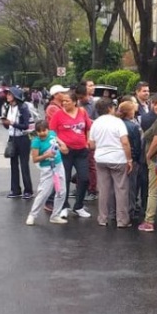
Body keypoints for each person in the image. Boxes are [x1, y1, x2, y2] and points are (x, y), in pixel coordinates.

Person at [88, 98, 133, 227]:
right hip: (118, 158)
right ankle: (122, 220)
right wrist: (129, 159)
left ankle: (103, 218)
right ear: (109, 108)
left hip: (101, 158)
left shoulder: (95, 123)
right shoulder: (118, 122)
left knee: (103, 190)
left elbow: (91, 144)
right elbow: (125, 142)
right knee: (121, 189)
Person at [50, 91, 93, 218]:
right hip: (65, 151)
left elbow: (88, 127)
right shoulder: (58, 114)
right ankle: (64, 206)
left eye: (67, 101)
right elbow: (52, 133)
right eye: (63, 101)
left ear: (74, 102)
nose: (64, 103)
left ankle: (78, 206)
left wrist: (87, 141)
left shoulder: (82, 112)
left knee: (84, 178)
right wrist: (61, 144)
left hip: (81, 151)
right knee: (65, 179)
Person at [27, 120, 70, 225]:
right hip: (47, 169)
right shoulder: (36, 142)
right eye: (39, 131)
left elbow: (60, 143)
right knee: (43, 193)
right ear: (36, 132)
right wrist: (46, 155)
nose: (42, 133)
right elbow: (35, 159)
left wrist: (63, 146)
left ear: (48, 129)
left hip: (58, 167)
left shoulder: (52, 134)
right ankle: (32, 215)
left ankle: (55, 215)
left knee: (61, 191)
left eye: (44, 130)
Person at [139, 95, 157, 232]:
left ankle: (149, 221)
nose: (156, 106)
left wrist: (148, 155)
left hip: (156, 159)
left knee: (153, 192)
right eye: (154, 104)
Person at [2, 87, 34, 199]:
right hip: (12, 138)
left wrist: (12, 123)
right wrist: (5, 123)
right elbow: (8, 126)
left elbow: (26, 125)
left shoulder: (23, 108)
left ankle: (28, 190)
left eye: (10, 94)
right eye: (7, 94)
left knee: (24, 164)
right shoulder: (7, 107)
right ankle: (15, 189)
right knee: (13, 164)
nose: (7, 96)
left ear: (15, 96)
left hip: (23, 138)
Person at [118, 101, 143, 223]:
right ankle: (130, 212)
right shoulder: (133, 126)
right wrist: (136, 159)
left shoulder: (117, 124)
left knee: (119, 186)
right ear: (130, 112)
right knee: (131, 187)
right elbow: (137, 145)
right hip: (131, 158)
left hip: (118, 158)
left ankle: (117, 211)